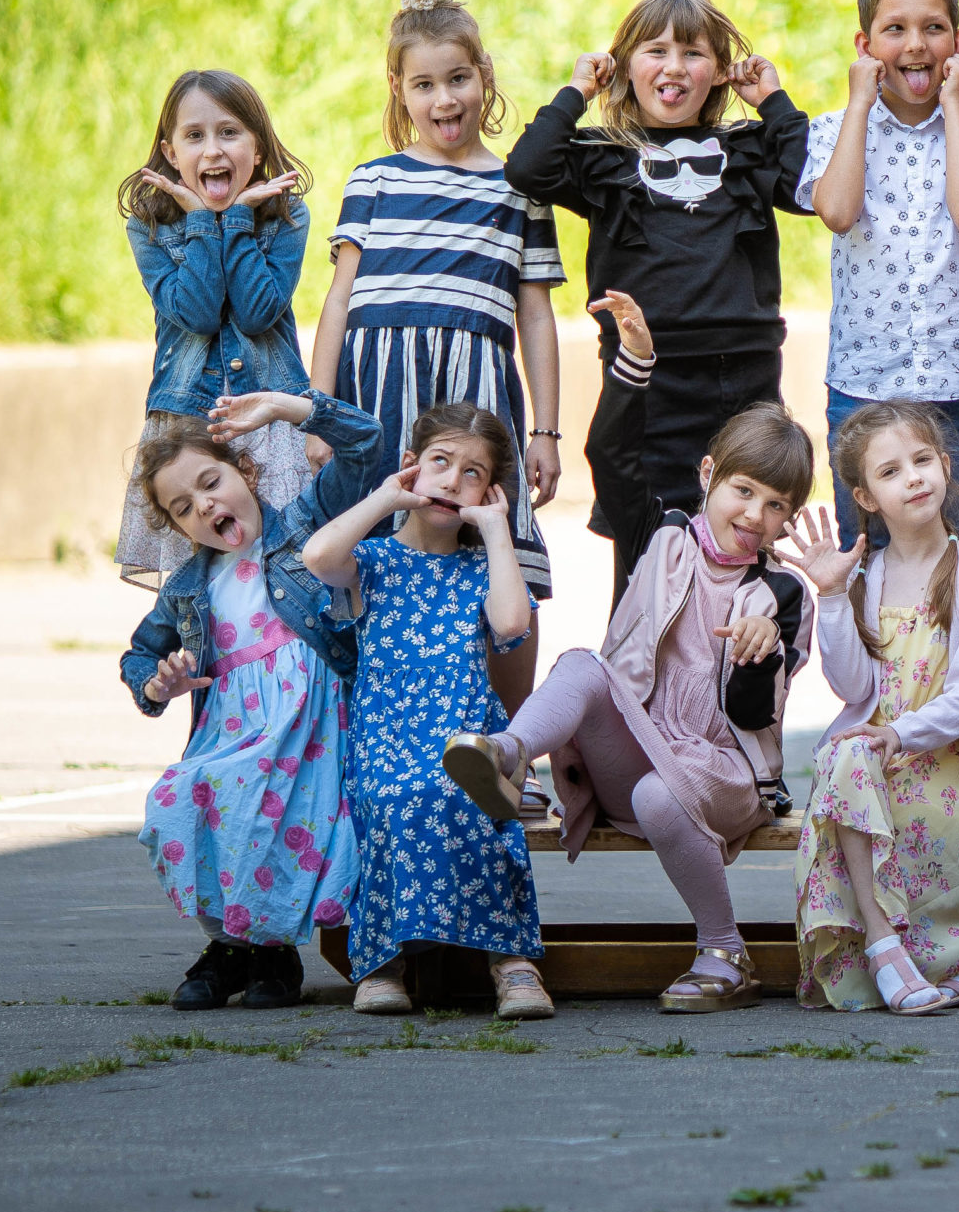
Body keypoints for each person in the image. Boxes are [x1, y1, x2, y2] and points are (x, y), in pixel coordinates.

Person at [441, 291, 820, 1013]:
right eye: (743, 490)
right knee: (582, 664)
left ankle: (724, 953)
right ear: (708, 474)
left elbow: (751, 714)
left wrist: (763, 651)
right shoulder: (661, 535)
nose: (754, 515)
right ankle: (508, 754)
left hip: (722, 775)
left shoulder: (782, 591)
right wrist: (634, 362)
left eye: (776, 505)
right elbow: (612, 456)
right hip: (637, 749)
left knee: (658, 792)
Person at [307, 0, 565, 727]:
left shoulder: (519, 188)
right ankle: (371, 736)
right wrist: (321, 412)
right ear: (399, 89)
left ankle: (511, 745)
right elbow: (338, 300)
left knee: (498, 546)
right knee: (374, 553)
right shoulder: (373, 181)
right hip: (377, 400)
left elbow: (537, 317)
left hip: (475, 397)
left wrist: (546, 432)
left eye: (458, 79)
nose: (444, 99)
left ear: (484, 75)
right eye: (424, 84)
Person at [504, 0, 814, 596]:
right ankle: (638, 656)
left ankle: (747, 651)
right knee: (645, 547)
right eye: (656, 51)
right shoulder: (603, 155)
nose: (674, 66)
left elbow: (812, 185)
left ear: (719, 72)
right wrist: (577, 92)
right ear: (624, 67)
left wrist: (773, 101)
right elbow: (527, 167)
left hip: (743, 375)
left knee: (746, 536)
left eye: (693, 53)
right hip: (643, 376)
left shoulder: (747, 148)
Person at [121, 386, 382, 1010]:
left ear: (246, 470)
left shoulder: (304, 526)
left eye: (211, 483)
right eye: (184, 508)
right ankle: (232, 946)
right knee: (184, 804)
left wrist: (288, 410)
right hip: (234, 728)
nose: (205, 505)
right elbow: (139, 655)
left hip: (311, 727)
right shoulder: (188, 587)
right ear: (178, 528)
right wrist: (158, 683)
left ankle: (269, 953)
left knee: (276, 825)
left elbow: (365, 443)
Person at [301, 402, 549, 1021]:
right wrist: (388, 496)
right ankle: (383, 963)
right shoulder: (375, 561)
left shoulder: (482, 567)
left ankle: (511, 961)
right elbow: (318, 557)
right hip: (386, 739)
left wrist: (497, 530)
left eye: (473, 473)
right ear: (413, 465)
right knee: (397, 796)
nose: (452, 481)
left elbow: (511, 624)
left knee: (468, 791)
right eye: (440, 462)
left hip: (466, 737)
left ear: (489, 492)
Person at [796, 400, 959, 1015]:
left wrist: (899, 735)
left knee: (859, 759)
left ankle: (930, 958)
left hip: (947, 765)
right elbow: (851, 686)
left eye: (921, 461)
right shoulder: (866, 575)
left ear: (945, 465)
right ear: (866, 497)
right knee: (846, 756)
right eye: (890, 472)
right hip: (874, 769)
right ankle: (884, 943)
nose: (912, 478)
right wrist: (832, 596)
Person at [800, 0, 959, 550]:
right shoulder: (834, 129)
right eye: (895, 29)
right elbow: (837, 212)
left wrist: (954, 105)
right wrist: (859, 104)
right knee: (864, 549)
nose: (916, 45)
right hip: (865, 383)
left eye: (934, 28)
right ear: (865, 47)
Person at [115, 71, 316, 589]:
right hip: (188, 421)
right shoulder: (150, 225)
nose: (212, 150)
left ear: (258, 146)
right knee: (201, 581)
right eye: (194, 136)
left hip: (270, 415)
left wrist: (240, 220)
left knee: (283, 570)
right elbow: (198, 313)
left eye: (229, 132)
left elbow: (256, 313)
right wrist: (204, 222)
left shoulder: (286, 215)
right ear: (171, 152)